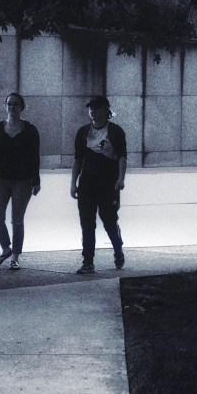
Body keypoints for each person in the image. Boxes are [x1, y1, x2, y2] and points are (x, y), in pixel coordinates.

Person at [0, 92, 42, 269]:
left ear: (22, 107)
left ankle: (15, 256)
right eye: (9, 104)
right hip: (1, 179)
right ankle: (6, 248)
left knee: (17, 220)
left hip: (22, 181)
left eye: (15, 104)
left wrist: (36, 180)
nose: (12, 107)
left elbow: (34, 157)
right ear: (5, 106)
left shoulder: (30, 130)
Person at [70, 96, 126, 274]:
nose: (92, 111)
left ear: (106, 111)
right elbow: (78, 159)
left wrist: (121, 179)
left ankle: (118, 249)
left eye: (96, 108)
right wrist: (73, 183)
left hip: (108, 183)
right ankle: (88, 262)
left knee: (109, 220)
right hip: (87, 182)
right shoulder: (83, 132)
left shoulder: (115, 131)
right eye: (90, 108)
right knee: (87, 223)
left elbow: (122, 156)